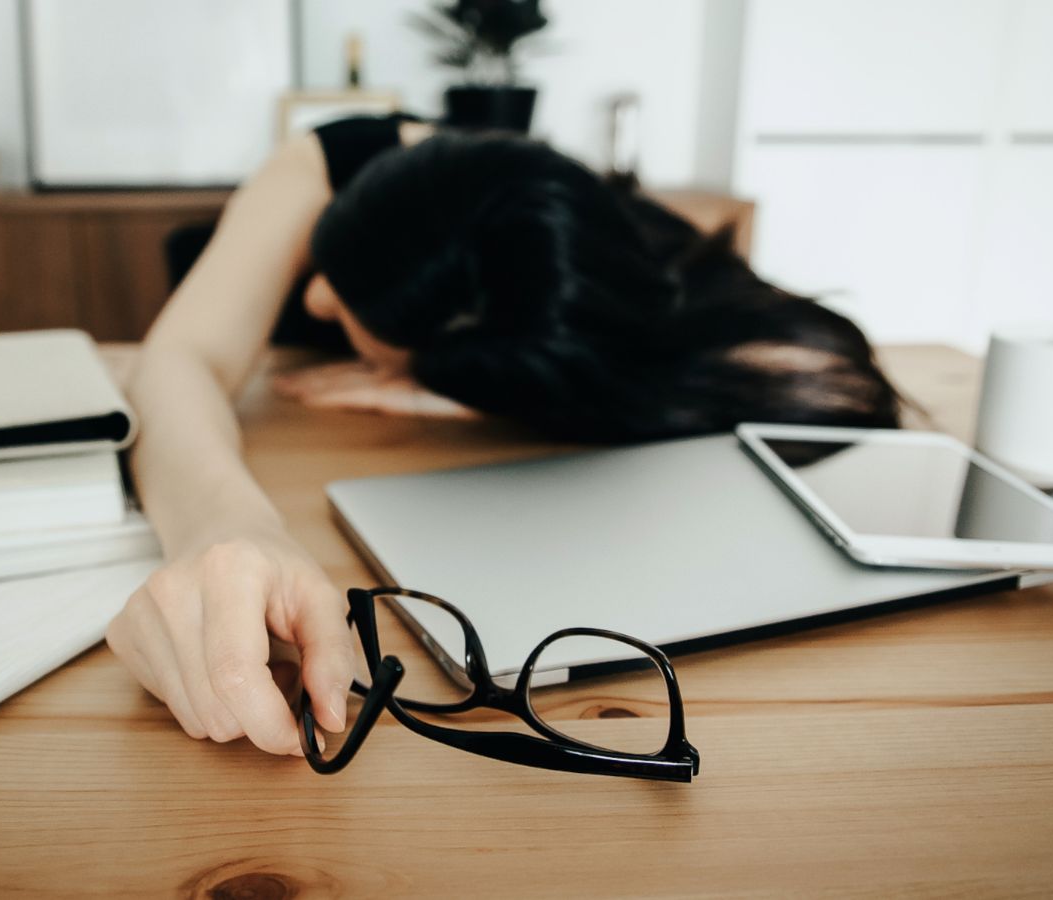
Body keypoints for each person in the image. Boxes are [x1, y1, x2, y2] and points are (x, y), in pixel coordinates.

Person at [104, 115, 900, 756]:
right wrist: (231, 527)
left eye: (350, 312)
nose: (312, 299)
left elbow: (833, 376)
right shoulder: (332, 161)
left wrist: (474, 396)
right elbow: (173, 362)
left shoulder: (570, 244)